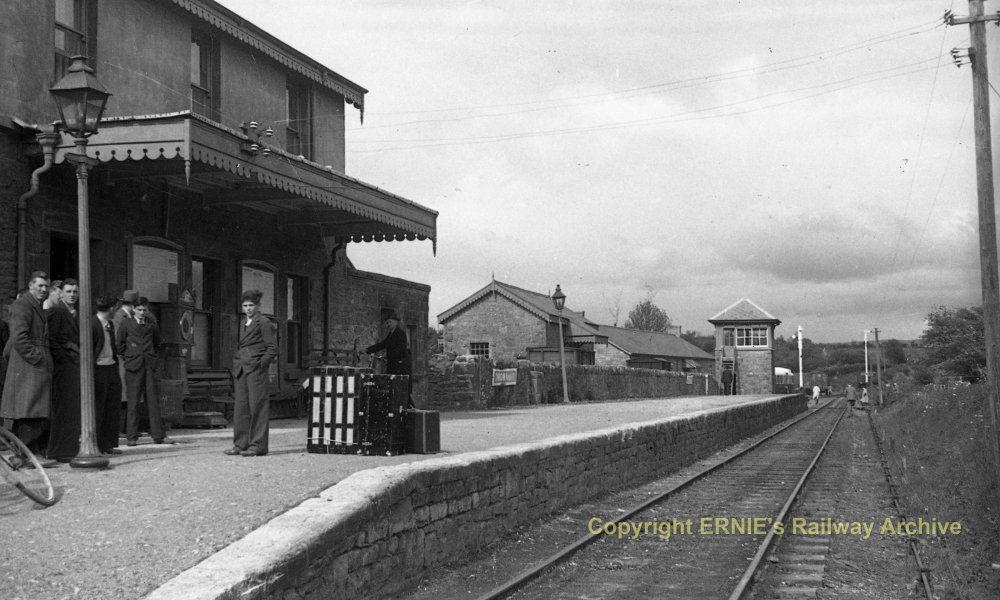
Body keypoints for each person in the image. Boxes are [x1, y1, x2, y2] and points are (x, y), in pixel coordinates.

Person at [0, 271, 54, 454]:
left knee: (35, 410)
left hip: (34, 365)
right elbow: (19, 338)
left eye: (46, 286)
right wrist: (37, 357)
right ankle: (26, 455)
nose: (43, 289)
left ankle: (31, 453)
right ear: (31, 286)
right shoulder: (22, 305)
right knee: (28, 410)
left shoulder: (36, 306)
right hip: (28, 366)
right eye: (39, 285)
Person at [225, 289, 277, 457]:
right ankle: (240, 444)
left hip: (256, 370)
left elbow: (272, 348)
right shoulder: (242, 322)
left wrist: (261, 364)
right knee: (241, 408)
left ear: (258, 306)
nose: (248, 309)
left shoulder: (264, 322)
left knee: (258, 407)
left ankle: (257, 446)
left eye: (251, 305)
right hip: (241, 369)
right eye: (245, 305)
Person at [117, 297, 174, 446]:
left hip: (149, 365)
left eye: (144, 310)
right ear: (133, 309)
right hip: (133, 366)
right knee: (133, 402)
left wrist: (152, 358)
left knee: (153, 401)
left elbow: (158, 343)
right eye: (139, 310)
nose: (142, 313)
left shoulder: (151, 325)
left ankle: (158, 435)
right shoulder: (126, 323)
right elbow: (120, 345)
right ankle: (131, 437)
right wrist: (131, 357)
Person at [45, 279, 82, 461]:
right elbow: (51, 339)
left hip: (74, 364)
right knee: (63, 407)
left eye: (75, 292)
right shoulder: (57, 311)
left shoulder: (76, 313)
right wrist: (64, 358)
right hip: (64, 365)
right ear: (61, 293)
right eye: (68, 291)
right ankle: (59, 450)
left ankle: (70, 448)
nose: (72, 295)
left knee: (73, 407)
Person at [365, 310, 415, 408]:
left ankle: (411, 412)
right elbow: (383, 344)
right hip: (393, 366)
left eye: (390, 322)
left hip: (400, 367)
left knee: (401, 392)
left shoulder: (400, 333)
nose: (388, 324)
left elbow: (401, 350)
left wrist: (386, 355)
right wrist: (367, 350)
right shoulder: (391, 334)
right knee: (394, 391)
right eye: (387, 323)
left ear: (396, 321)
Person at [93, 296, 122, 455]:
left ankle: (107, 444)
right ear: (111, 308)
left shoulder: (109, 324)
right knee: (99, 408)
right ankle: (95, 444)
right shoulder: (92, 324)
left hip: (111, 368)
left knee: (111, 407)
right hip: (98, 369)